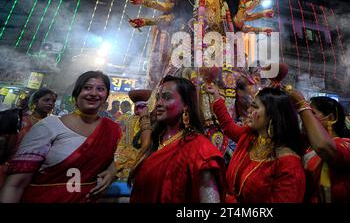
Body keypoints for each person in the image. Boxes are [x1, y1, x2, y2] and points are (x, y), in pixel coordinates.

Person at [0, 71, 122, 203]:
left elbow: (115, 158)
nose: (93, 93)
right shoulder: (48, 126)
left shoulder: (112, 129)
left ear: (106, 96)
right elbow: (15, 185)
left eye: (100, 89)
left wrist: (112, 169)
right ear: (76, 93)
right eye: (87, 87)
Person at [130, 76, 226, 203]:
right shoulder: (156, 139)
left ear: (185, 106)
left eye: (167, 97)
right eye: (158, 97)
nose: (158, 103)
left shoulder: (200, 150)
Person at [207, 84, 306, 203]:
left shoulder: (289, 163)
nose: (249, 110)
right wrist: (217, 97)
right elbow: (228, 127)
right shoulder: (249, 137)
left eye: (255, 107)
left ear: (271, 115)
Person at [301, 96, 350, 203]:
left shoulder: (347, 145)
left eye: (312, 113)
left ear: (330, 118)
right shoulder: (309, 146)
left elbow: (323, 147)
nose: (306, 117)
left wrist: (301, 104)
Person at [0, 88, 57, 188]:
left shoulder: (53, 125)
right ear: (36, 101)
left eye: (53, 101)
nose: (50, 103)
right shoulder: (21, 121)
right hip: (9, 169)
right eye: (46, 100)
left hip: (34, 175)